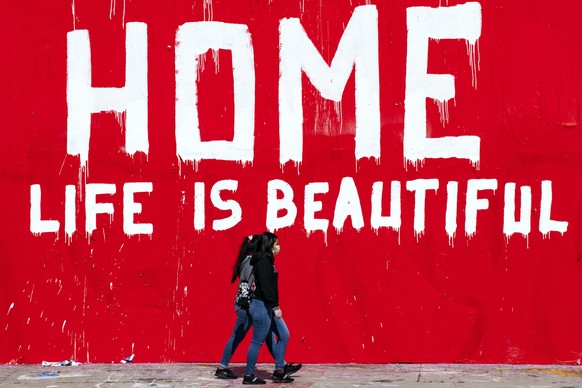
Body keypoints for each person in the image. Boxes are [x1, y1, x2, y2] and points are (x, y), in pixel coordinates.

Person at [215, 234, 301, 382]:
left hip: (254, 304)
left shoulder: (253, 260)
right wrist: (256, 306)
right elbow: (250, 285)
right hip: (249, 304)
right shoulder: (253, 263)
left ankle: (281, 366)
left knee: (270, 337)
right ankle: (227, 367)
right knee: (241, 337)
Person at [243, 232, 297, 384]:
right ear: (269, 244)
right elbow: (267, 288)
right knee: (257, 342)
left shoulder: (268, 260)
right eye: (276, 243)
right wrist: (275, 307)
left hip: (268, 306)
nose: (278, 246)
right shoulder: (263, 263)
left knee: (284, 334)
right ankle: (248, 375)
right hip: (261, 306)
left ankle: (279, 370)